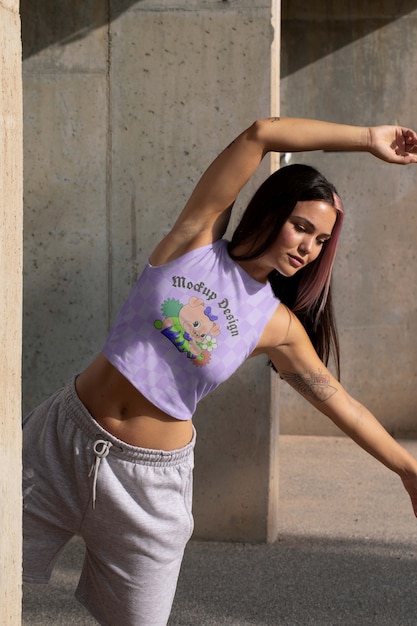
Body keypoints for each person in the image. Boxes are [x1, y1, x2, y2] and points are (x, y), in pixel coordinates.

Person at [23, 116, 417, 626]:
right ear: (272, 212)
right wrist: (367, 140)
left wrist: (407, 469)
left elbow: (339, 402)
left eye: (321, 240)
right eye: (302, 227)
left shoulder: (277, 325)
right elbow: (260, 134)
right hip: (59, 442)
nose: (308, 248)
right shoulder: (196, 241)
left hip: (149, 490)